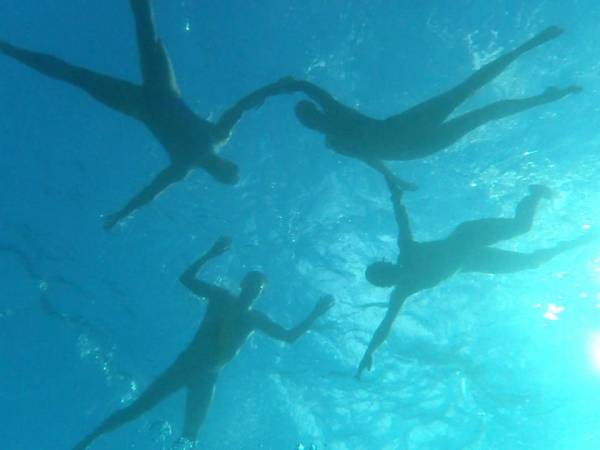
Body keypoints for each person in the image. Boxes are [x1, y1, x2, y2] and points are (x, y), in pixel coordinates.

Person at [0, 0, 289, 229]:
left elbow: (151, 192)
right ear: (228, 164)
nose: (225, 168)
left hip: (141, 105)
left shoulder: (184, 165)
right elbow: (242, 106)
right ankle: (9, 49)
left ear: (222, 171)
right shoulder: (211, 143)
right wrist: (275, 88)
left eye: (226, 173)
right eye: (230, 170)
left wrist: (122, 214)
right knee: (141, 36)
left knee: (82, 74)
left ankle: (9, 49)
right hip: (161, 92)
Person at [72, 237, 334, 449]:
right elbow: (185, 279)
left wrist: (315, 313)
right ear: (243, 284)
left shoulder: (255, 318)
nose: (253, 289)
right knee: (138, 408)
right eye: (252, 284)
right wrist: (211, 253)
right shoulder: (221, 297)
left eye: (259, 289)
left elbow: (289, 337)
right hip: (186, 364)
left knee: (190, 437)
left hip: (208, 377)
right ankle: (90, 440)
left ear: (260, 294)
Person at [356, 174, 593, 378]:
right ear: (388, 284)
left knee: (522, 226)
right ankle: (575, 243)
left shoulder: (407, 251)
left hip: (468, 236)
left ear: (388, 265)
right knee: (532, 262)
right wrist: (369, 351)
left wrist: (396, 197)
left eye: (387, 270)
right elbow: (385, 325)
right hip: (473, 261)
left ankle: (535, 194)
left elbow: (402, 220)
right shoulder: (403, 290)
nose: (393, 274)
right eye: (387, 278)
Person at [281, 26, 581, 182]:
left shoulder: (336, 129)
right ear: (311, 124)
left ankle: (535, 46)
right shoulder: (336, 140)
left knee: (470, 89)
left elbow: (310, 89)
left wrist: (288, 86)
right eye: (310, 119)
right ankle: (549, 95)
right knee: (482, 110)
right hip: (415, 145)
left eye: (311, 115)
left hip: (407, 132)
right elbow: (371, 160)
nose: (315, 118)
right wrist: (395, 180)